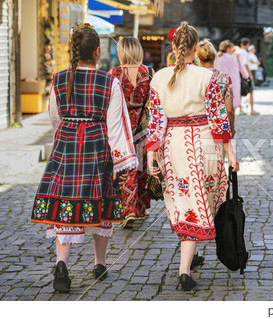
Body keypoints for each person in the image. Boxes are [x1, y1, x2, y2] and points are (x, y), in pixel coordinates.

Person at [30, 23, 138, 293]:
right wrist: (123, 161)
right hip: (97, 148)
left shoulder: (58, 79)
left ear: (74, 51)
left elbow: (55, 119)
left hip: (66, 148)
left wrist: (64, 141)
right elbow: (116, 126)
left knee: (65, 205)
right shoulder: (108, 82)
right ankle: (100, 263)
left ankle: (62, 263)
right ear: (98, 52)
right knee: (102, 204)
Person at [146, 22, 239, 291]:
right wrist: (230, 153)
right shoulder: (207, 77)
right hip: (204, 145)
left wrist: (151, 155)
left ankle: (188, 262)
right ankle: (184, 269)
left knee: (186, 204)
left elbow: (155, 122)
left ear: (174, 47)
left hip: (173, 147)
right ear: (195, 48)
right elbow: (219, 120)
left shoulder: (159, 78)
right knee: (200, 204)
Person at [110, 37, 154, 228]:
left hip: (121, 126)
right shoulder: (149, 72)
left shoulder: (113, 74)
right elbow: (155, 102)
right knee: (141, 168)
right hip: (142, 127)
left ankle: (127, 210)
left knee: (125, 167)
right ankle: (140, 209)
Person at [197, 39, 235, 138]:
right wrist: (231, 128)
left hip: (196, 129)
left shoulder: (191, 77)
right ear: (214, 57)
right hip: (218, 129)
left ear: (198, 58)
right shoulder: (225, 78)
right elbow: (229, 110)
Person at [217, 40, 249, 120]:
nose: (232, 50)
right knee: (232, 111)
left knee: (222, 111)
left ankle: (223, 127)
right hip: (234, 87)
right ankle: (231, 129)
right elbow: (245, 74)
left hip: (221, 88)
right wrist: (247, 77)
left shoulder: (217, 59)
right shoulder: (235, 59)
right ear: (228, 49)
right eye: (231, 48)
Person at [235, 38, 256, 115]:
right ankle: (252, 110)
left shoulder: (236, 52)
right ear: (247, 45)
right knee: (251, 91)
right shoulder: (245, 53)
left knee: (239, 91)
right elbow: (245, 65)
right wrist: (250, 74)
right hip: (245, 73)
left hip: (237, 73)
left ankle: (240, 110)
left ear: (241, 44)